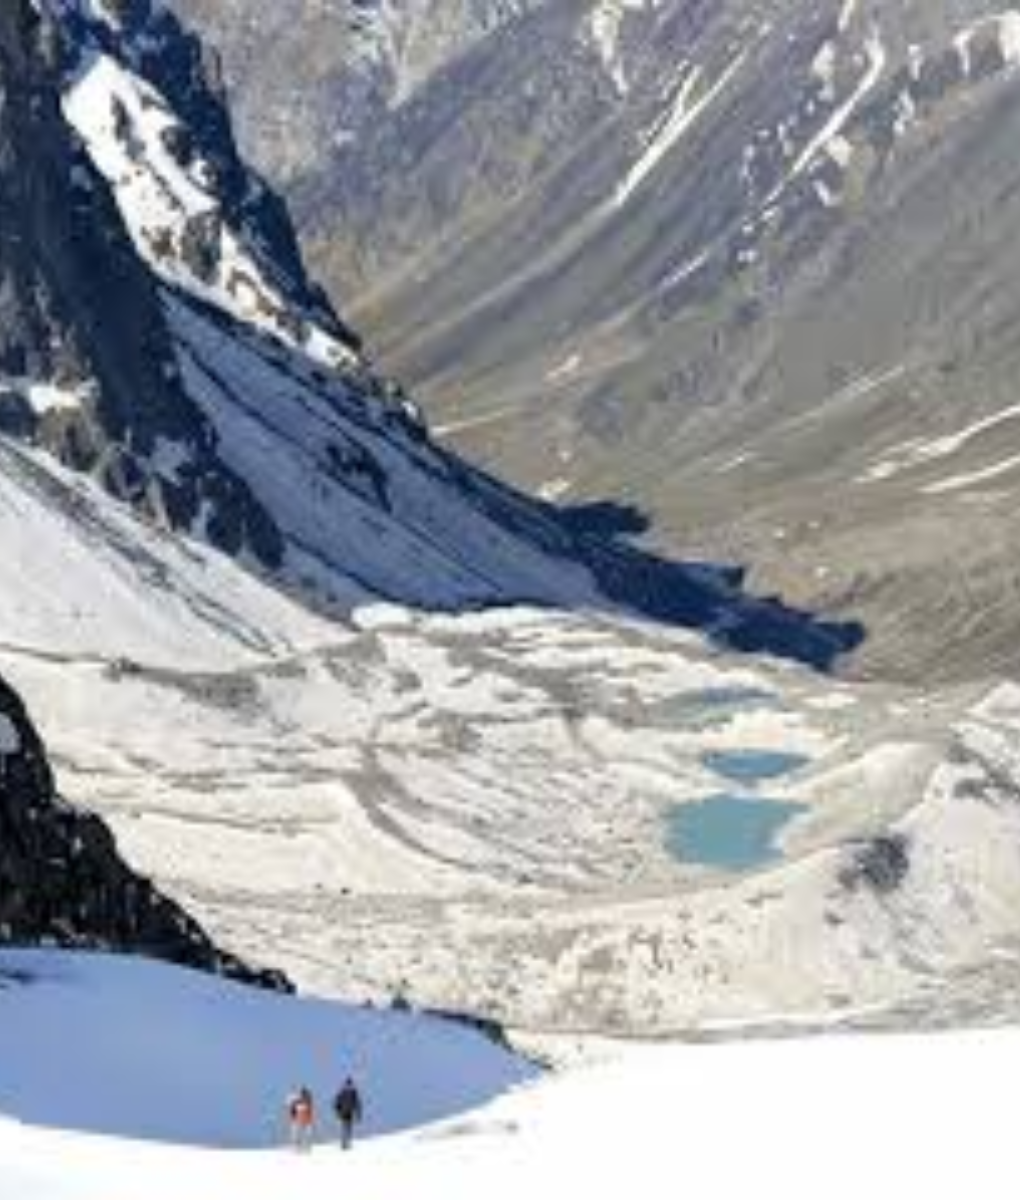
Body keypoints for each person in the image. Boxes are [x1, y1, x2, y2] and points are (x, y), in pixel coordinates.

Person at [333, 1077, 363, 1150]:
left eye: (349, 1084)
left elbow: (357, 1103)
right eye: (349, 1084)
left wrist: (358, 1113)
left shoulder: (350, 1092)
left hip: (347, 1112)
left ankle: (346, 1143)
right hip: (345, 1112)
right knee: (346, 1127)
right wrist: (337, 1112)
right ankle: (345, 1143)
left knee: (347, 1127)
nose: (349, 1086)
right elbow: (337, 1103)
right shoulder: (348, 1092)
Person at [287, 1085, 316, 1152]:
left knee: (301, 1135)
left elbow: (309, 1112)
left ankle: (303, 1147)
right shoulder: (300, 1102)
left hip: (302, 1121)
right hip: (301, 1121)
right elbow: (293, 1111)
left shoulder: (306, 1102)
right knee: (301, 1135)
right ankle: (301, 1147)